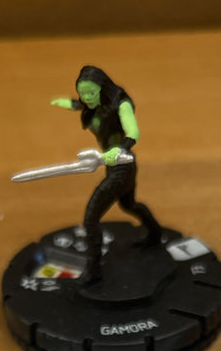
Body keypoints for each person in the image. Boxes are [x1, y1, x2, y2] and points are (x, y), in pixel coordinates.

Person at [52, 66, 162, 284]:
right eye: (83, 94)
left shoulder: (121, 104)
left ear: (103, 89)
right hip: (113, 167)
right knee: (129, 205)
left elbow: (133, 132)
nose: (87, 98)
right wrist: (64, 103)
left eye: (91, 93)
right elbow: (79, 104)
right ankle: (156, 233)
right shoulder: (92, 104)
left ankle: (93, 270)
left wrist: (119, 149)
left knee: (91, 218)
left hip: (122, 166)